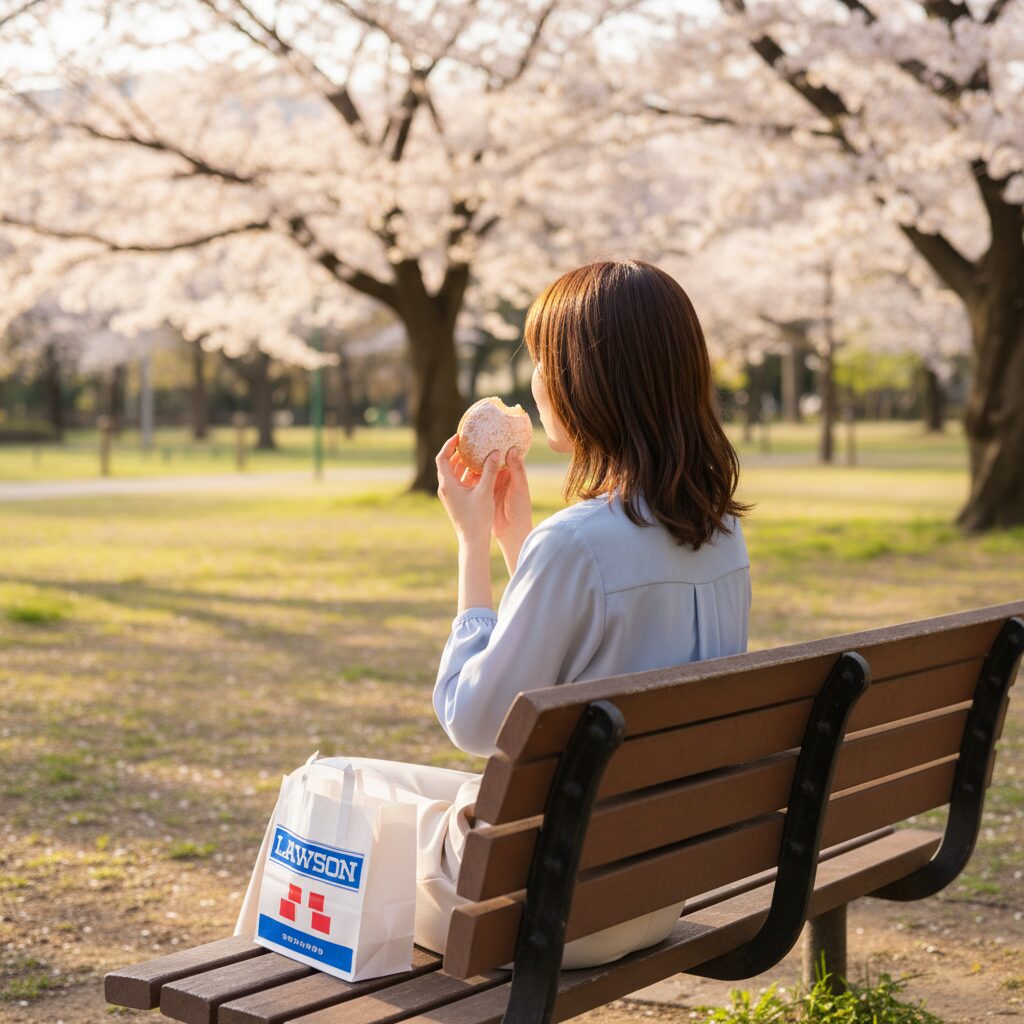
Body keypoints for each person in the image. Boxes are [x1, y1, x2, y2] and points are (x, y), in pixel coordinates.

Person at [234, 258, 751, 969]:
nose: (535, 380)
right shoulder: (721, 535)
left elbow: (474, 722)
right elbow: (601, 646)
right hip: (649, 890)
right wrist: (519, 544)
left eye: (544, 359)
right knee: (349, 779)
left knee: (320, 793)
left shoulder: (575, 543)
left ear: (587, 380)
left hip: (538, 909)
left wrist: (472, 546)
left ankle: (248, 994)